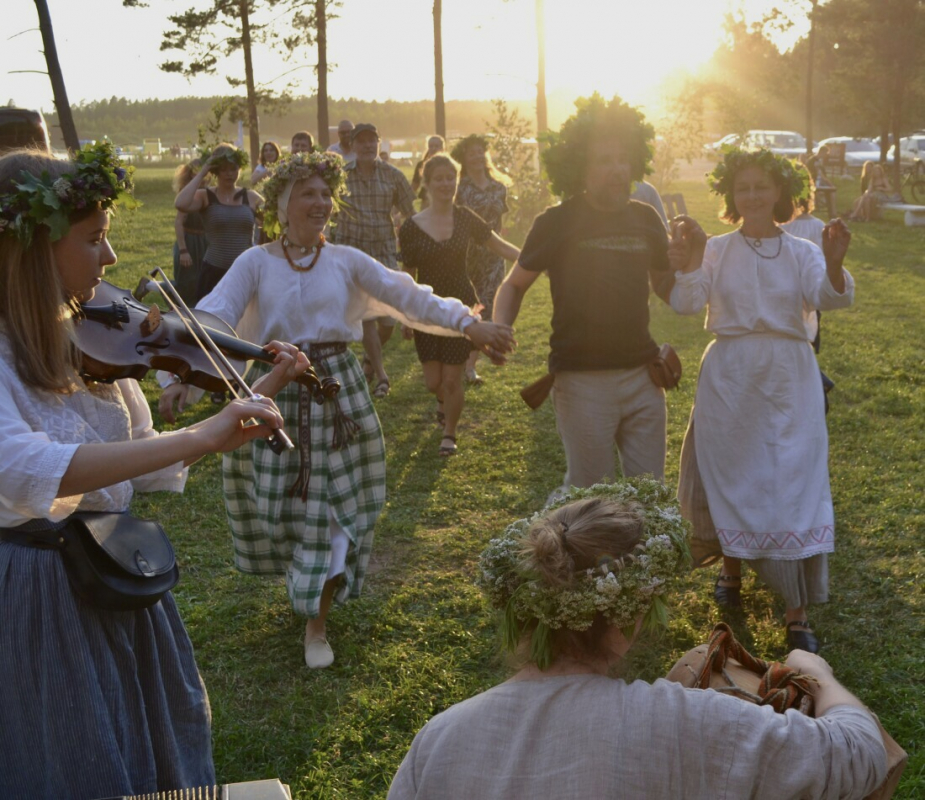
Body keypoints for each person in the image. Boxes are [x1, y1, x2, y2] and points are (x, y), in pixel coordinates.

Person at [0, 143, 305, 799]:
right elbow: (26, 471)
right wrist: (199, 431)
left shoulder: (87, 335)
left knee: (146, 749)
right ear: (31, 251)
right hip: (37, 592)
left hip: (111, 568)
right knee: (70, 758)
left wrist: (213, 438)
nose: (110, 260)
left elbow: (141, 453)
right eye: (93, 240)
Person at [160, 150, 515, 669]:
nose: (321, 202)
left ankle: (317, 624)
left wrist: (468, 323)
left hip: (337, 391)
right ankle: (307, 582)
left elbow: (407, 294)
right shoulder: (255, 262)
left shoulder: (346, 260)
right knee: (290, 506)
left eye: (327, 193)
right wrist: (176, 377)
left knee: (331, 512)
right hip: (276, 393)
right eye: (309, 192)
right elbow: (212, 317)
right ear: (283, 204)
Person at [388, 481, 887, 799]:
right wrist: (818, 675)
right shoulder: (686, 724)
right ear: (629, 615)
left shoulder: (440, 741)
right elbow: (858, 757)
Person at [669, 147, 854, 653]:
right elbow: (686, 304)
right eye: (743, 186)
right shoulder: (715, 247)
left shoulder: (801, 248)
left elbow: (830, 295)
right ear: (732, 193)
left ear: (779, 192)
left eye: (761, 186)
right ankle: (731, 573)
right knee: (730, 472)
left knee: (792, 479)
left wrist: (835, 265)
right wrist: (686, 264)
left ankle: (797, 613)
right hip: (729, 375)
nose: (752, 195)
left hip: (790, 375)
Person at [494, 95, 674, 501]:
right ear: (580, 167)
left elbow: (666, 285)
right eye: (603, 160)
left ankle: (642, 568)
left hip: (644, 377)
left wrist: (696, 261)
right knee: (591, 499)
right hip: (581, 381)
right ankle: (584, 563)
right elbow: (514, 284)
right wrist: (500, 326)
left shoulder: (646, 217)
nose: (616, 170)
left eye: (622, 159)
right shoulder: (556, 222)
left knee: (652, 497)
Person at [399, 154, 520, 455]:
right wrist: (405, 315)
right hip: (425, 309)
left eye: (450, 178)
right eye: (438, 178)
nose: (445, 183)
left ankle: (449, 434)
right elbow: (408, 275)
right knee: (433, 382)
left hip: (461, 308)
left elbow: (500, 246)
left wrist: (535, 259)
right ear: (427, 183)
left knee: (453, 380)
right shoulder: (411, 227)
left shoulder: (465, 216)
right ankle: (443, 403)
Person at [329, 123, 416, 398]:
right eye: (361, 141)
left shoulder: (394, 176)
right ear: (352, 146)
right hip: (351, 256)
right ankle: (382, 376)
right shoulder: (340, 177)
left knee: (387, 319)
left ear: (379, 144)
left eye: (372, 141)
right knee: (367, 315)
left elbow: (412, 215)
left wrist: (414, 246)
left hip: (384, 254)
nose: (367, 146)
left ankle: (369, 361)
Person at [449, 134, 513, 385]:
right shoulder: (460, 187)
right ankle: (457, 356)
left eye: (480, 151)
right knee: (467, 306)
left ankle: (470, 366)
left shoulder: (499, 187)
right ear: (464, 158)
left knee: (485, 305)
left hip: (494, 256)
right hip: (466, 255)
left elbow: (500, 223)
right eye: (471, 152)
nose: (476, 156)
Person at [174, 143, 262, 303]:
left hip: (244, 271)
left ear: (239, 169)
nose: (229, 174)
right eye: (223, 169)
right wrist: (202, 173)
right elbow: (180, 203)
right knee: (210, 322)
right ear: (215, 171)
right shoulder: (205, 196)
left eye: (233, 168)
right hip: (214, 272)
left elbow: (275, 220)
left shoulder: (251, 197)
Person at [171, 157, 210, 304]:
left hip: (207, 242)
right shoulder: (187, 192)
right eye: (197, 171)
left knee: (203, 284)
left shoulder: (212, 191)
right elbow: (179, 222)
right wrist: (183, 250)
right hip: (190, 241)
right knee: (187, 284)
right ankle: (152, 287)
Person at [411, 134, 446, 207]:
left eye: (436, 146)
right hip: (426, 202)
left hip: (444, 202)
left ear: (442, 148)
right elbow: (413, 187)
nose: (434, 148)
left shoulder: (449, 165)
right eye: (431, 146)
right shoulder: (421, 165)